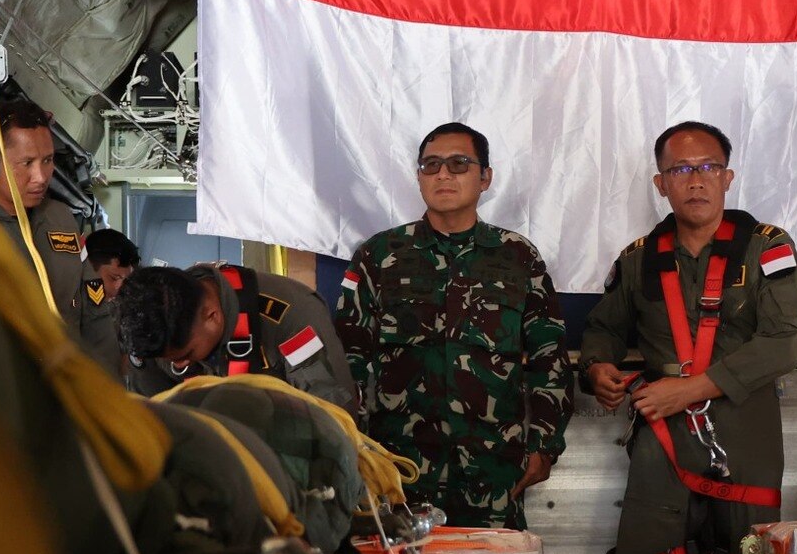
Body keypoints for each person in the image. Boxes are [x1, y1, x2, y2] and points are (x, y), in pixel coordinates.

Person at [582, 121, 797, 554]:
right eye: (680, 170)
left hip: (745, 433)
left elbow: (784, 343)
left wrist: (691, 388)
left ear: (728, 178)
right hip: (664, 440)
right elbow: (603, 328)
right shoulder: (640, 258)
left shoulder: (765, 248)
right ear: (661, 184)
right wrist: (597, 369)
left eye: (707, 167)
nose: (695, 180)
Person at [334, 123, 570, 530]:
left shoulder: (517, 257)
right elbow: (348, 360)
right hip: (400, 472)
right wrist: (354, 449)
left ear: (485, 177)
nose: (443, 174)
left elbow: (549, 357)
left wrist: (544, 446)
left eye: (459, 163)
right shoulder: (379, 256)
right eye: (431, 165)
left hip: (493, 471)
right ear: (419, 177)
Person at [116, 260, 357, 412]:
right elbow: (156, 415)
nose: (178, 365)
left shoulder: (292, 319)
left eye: (187, 355)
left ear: (212, 316)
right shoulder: (153, 325)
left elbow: (336, 422)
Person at [0, 98, 96, 343]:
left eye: (48, 161)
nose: (40, 177)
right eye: (26, 163)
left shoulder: (61, 219)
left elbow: (96, 314)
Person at [77, 228, 138, 379]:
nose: (119, 290)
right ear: (89, 268)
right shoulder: (68, 301)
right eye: (113, 278)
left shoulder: (121, 308)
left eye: (125, 281)